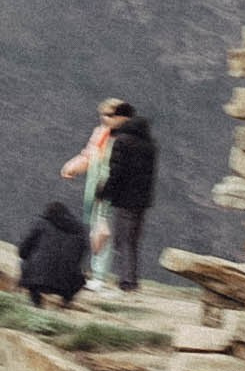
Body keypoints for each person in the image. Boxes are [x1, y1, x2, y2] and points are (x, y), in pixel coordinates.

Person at [59, 94, 132, 281]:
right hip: (96, 187)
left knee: (105, 231)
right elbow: (89, 155)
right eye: (103, 114)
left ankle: (100, 274)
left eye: (109, 115)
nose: (105, 118)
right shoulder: (100, 134)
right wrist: (73, 166)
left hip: (114, 190)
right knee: (96, 229)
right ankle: (95, 270)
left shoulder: (126, 138)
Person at [100, 102, 158, 291]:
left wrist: (105, 192)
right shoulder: (149, 143)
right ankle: (132, 279)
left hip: (125, 198)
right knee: (133, 240)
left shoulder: (122, 141)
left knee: (123, 239)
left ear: (121, 118)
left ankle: (126, 281)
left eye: (114, 117)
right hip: (143, 199)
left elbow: (116, 171)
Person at [16, 197, 90, 306]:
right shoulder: (79, 230)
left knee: (25, 264)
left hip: (38, 281)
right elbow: (81, 255)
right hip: (65, 283)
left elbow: (23, 250)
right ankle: (66, 299)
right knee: (78, 275)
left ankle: (35, 298)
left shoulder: (41, 223)